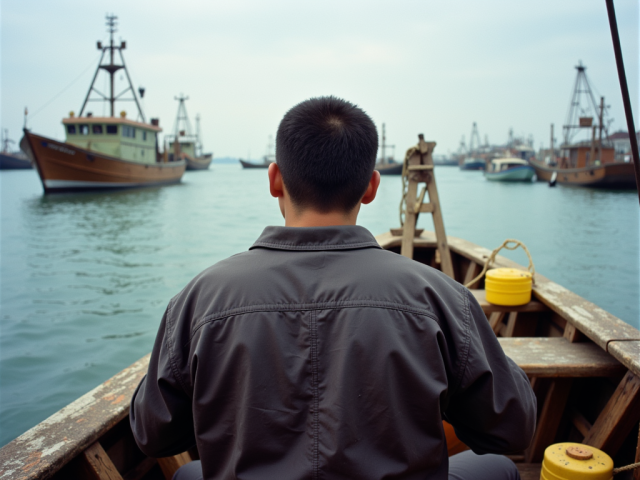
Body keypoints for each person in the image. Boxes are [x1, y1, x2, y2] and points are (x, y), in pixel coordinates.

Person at [130, 96, 536, 480]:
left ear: (274, 180)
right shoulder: (440, 297)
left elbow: (154, 435)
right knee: (498, 467)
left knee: (188, 472)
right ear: (371, 187)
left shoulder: (200, 299)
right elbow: (513, 428)